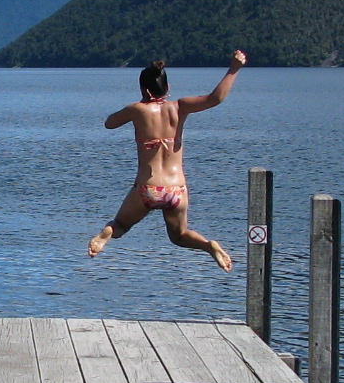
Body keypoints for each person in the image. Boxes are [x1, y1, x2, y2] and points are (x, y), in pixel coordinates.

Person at [89, 51, 246, 269]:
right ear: (168, 88)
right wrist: (234, 68)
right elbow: (215, 98)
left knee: (120, 225)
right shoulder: (180, 107)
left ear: (144, 90)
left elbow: (109, 123)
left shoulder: (137, 110)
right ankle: (209, 246)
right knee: (179, 236)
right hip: (176, 190)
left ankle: (106, 235)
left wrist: (138, 107)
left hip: (148, 188)